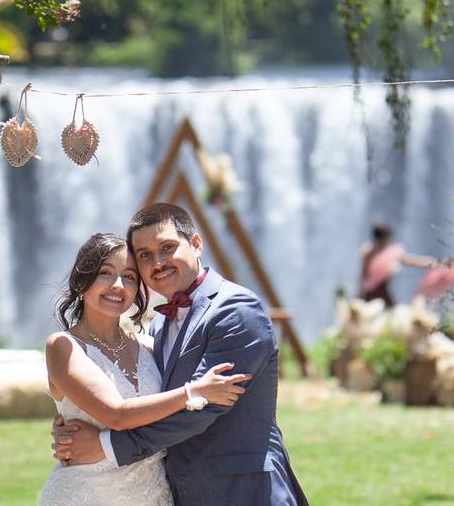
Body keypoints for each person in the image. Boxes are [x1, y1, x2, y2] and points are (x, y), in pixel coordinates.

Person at [51, 204, 307, 506]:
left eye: (167, 247)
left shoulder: (235, 310)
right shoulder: (158, 326)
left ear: (196, 244)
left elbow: (204, 408)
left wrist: (106, 446)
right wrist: (72, 418)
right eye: (145, 255)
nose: (157, 262)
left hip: (243, 490)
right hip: (173, 490)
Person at [40, 232, 250, 506]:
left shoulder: (151, 346)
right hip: (86, 494)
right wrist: (194, 392)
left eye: (129, 277)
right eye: (106, 273)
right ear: (83, 280)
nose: (118, 285)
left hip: (153, 492)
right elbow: (116, 415)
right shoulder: (63, 346)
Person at [359, 223, 434, 307]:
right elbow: (363, 274)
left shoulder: (386, 252)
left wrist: (429, 262)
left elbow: (411, 261)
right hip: (374, 292)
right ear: (385, 237)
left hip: (377, 291)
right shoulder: (370, 251)